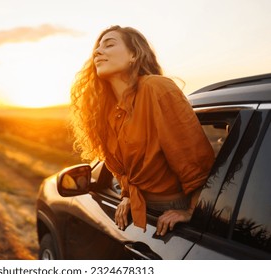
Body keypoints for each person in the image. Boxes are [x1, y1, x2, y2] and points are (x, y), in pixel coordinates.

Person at [69, 25, 215, 236]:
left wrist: (193, 210)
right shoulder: (107, 112)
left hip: (170, 211)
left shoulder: (156, 88)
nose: (97, 52)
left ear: (134, 54)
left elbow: (192, 156)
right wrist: (128, 195)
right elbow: (127, 169)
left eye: (109, 44)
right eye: (97, 48)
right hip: (141, 212)